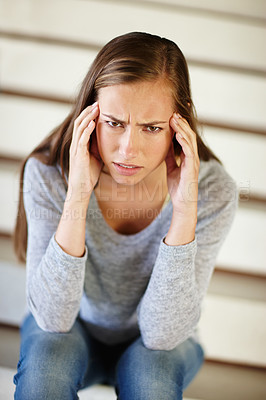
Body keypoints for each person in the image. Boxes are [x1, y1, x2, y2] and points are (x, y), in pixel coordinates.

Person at [13, 32, 237, 399]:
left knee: (151, 379)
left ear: (179, 125)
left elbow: (162, 336)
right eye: (114, 122)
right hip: (72, 330)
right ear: (91, 112)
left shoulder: (214, 191)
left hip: (159, 344)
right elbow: (53, 320)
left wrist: (183, 213)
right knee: (44, 370)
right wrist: (78, 195)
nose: (127, 149)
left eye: (152, 128)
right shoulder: (50, 174)